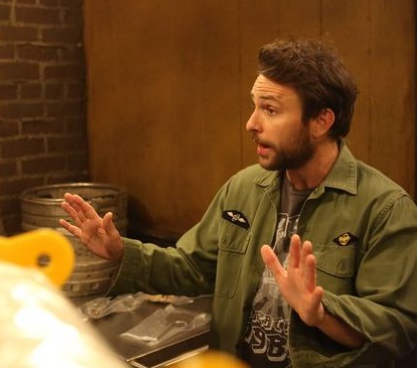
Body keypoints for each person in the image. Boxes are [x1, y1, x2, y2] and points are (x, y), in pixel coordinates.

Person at [60, 38, 417, 367]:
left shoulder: (385, 209)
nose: (251, 124)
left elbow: (399, 328)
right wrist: (121, 251)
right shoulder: (244, 188)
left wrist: (321, 314)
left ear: (321, 121)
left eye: (271, 110)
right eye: (254, 107)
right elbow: (193, 268)